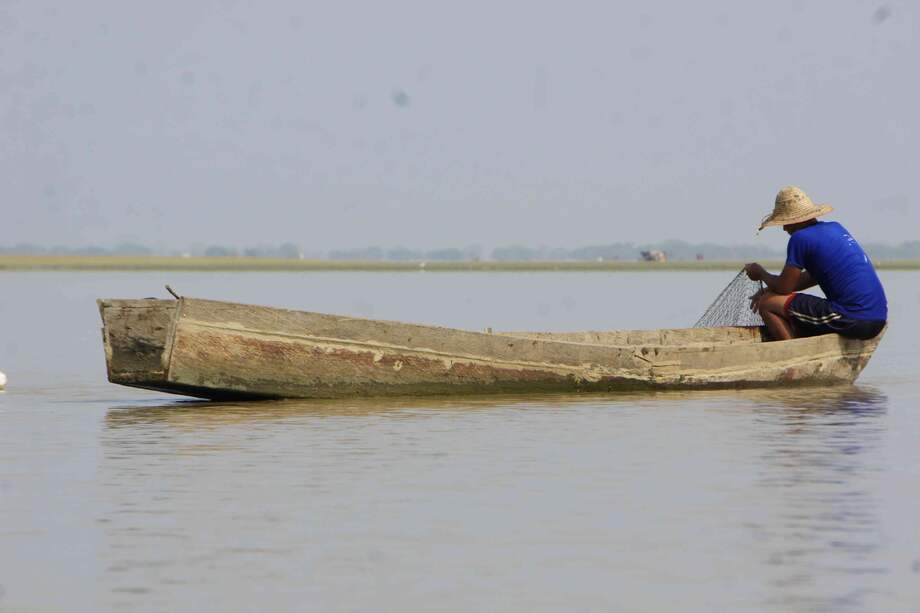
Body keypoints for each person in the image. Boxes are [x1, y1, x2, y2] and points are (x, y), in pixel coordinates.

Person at [743, 186, 887, 341]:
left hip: (853, 318)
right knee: (772, 297)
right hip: (878, 318)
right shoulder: (835, 227)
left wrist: (761, 273)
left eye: (786, 222)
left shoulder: (800, 238)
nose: (784, 228)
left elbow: (785, 288)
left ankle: (793, 356)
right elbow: (812, 277)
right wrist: (769, 288)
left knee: (767, 303)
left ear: (796, 221)